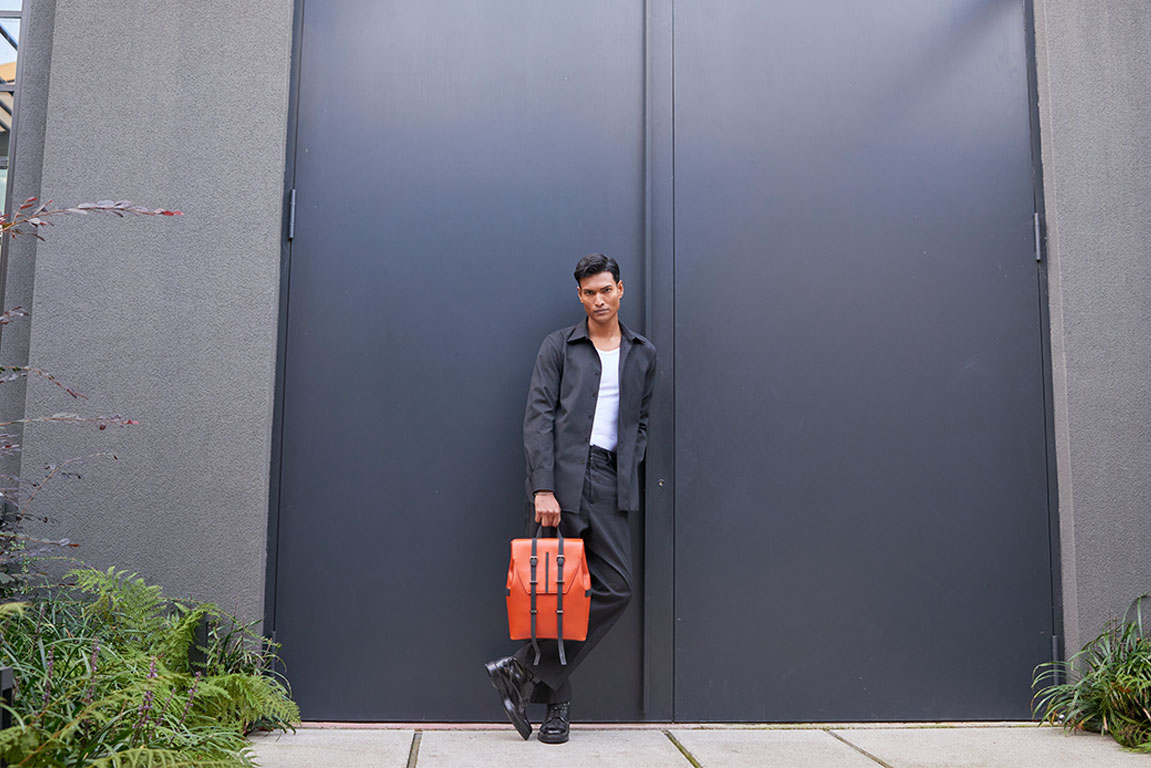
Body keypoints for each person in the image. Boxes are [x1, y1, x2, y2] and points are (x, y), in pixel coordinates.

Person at [485, 253, 656, 744]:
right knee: (553, 595)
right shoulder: (559, 346)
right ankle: (556, 712)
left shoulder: (643, 353)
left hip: (608, 480)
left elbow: (640, 421)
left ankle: (520, 671)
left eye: (606, 289)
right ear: (579, 295)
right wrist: (543, 486)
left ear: (620, 289)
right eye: (588, 292)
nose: (598, 300)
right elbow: (538, 417)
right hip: (559, 479)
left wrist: (629, 466)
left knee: (614, 587)